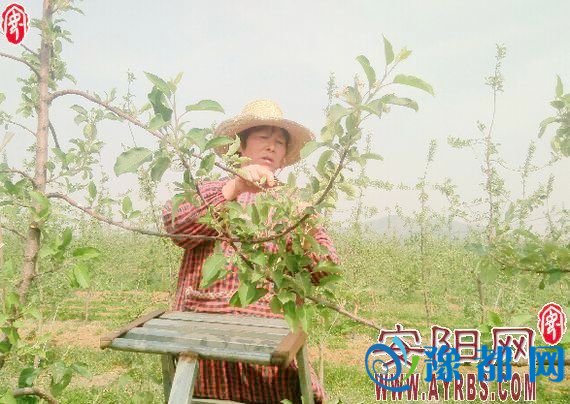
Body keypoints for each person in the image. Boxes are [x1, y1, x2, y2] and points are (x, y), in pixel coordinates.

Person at [163, 99, 339, 403]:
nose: (271, 146)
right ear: (240, 146)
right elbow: (176, 224)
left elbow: (325, 271)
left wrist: (305, 227)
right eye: (263, 137)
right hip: (204, 340)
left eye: (279, 142)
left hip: (268, 350)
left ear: (283, 158)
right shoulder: (213, 190)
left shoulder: (293, 206)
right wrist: (234, 189)